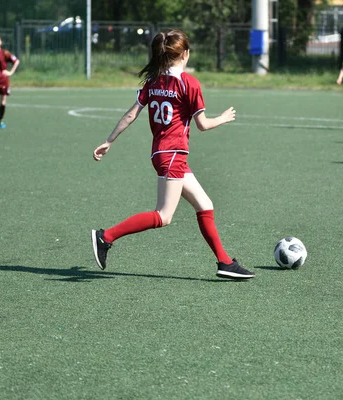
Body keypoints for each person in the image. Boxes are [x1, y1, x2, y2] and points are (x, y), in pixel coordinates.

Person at [90, 29, 254, 280]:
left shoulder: (153, 80)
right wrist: (222, 118)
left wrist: (109, 140)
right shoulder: (189, 83)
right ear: (185, 54)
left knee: (205, 205)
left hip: (162, 153)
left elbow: (131, 114)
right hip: (174, 154)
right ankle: (106, 236)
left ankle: (224, 262)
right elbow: (203, 125)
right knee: (163, 216)